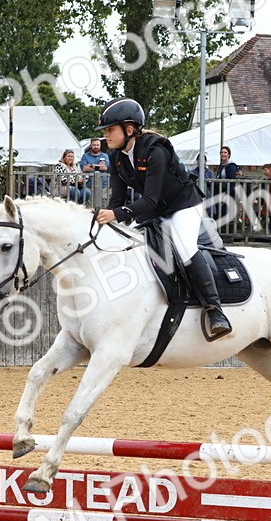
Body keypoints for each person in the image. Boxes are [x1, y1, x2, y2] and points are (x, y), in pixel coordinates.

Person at [94, 96, 231, 339]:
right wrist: (109, 222)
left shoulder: (155, 150)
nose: (106, 135)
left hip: (183, 205)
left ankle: (215, 309)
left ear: (129, 129)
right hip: (154, 209)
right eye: (104, 131)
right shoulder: (115, 157)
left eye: (110, 130)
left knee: (183, 246)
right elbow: (117, 200)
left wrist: (115, 214)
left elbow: (149, 200)